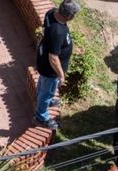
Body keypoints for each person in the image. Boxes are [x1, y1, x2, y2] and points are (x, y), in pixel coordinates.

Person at [33, 0, 79, 129]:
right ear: (69, 16)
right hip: (50, 69)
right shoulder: (58, 31)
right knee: (46, 91)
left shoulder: (51, 13)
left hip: (44, 62)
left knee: (44, 85)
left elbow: (44, 33)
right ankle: (41, 117)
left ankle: (44, 99)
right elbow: (53, 57)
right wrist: (61, 75)